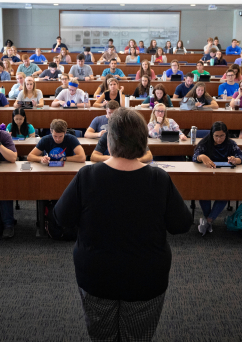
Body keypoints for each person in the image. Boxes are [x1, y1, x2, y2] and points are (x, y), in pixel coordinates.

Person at [54, 108, 190, 341]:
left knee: (102, 335)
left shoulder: (87, 176)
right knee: (137, 336)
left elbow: (61, 219)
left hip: (96, 274)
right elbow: (181, 224)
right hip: (146, 276)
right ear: (142, 141)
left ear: (110, 140)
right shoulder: (159, 179)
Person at [193, 121, 242, 234]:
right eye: (216, 136)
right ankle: (209, 221)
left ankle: (208, 221)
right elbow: (194, 157)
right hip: (207, 176)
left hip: (224, 177)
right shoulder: (205, 143)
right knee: (203, 193)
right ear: (212, 134)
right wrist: (201, 157)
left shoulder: (230, 143)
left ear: (226, 134)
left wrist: (235, 160)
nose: (219, 139)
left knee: (224, 194)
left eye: (222, 136)